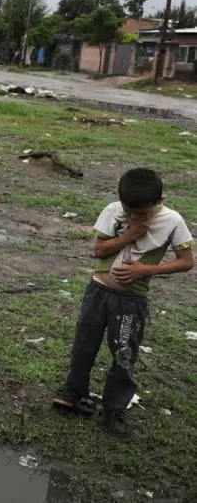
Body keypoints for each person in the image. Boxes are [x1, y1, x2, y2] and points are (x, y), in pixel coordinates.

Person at [52, 168, 193, 435]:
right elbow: (99, 250)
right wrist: (130, 233)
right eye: (130, 211)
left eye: (142, 213)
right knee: (84, 345)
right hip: (97, 293)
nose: (134, 216)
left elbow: (186, 262)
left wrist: (145, 270)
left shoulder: (172, 220)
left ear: (160, 199)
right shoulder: (113, 211)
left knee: (123, 353)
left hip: (130, 302)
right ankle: (73, 392)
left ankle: (115, 408)